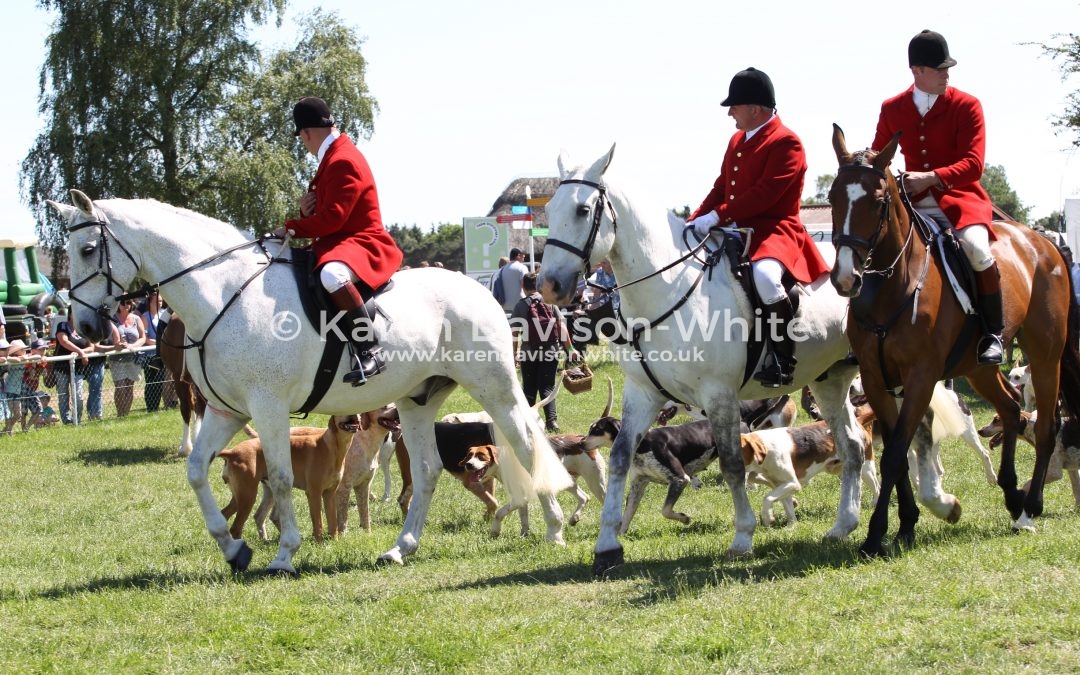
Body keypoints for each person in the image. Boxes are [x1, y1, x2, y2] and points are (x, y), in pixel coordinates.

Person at [688, 67, 829, 387]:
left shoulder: (787, 142)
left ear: (755, 109)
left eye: (734, 108)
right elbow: (721, 186)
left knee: (766, 278)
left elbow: (765, 194)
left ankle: (782, 358)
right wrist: (696, 218)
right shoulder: (737, 139)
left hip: (776, 230)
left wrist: (718, 216)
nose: (730, 115)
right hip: (737, 229)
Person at [873, 29, 1003, 365]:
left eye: (948, 69)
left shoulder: (967, 105)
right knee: (874, 248)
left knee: (975, 249)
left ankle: (993, 333)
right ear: (918, 72)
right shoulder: (892, 108)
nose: (947, 74)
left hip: (960, 200)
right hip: (912, 203)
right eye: (940, 69)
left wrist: (931, 178)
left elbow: (973, 164)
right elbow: (879, 157)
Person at [275, 96, 403, 386]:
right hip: (341, 238)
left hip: (363, 241)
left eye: (302, 139)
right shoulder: (334, 155)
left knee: (333, 275)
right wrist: (307, 210)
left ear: (305, 133)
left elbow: (334, 218)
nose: (305, 145)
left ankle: (370, 348)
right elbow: (329, 210)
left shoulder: (342, 159)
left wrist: (291, 228)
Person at [511, 272, 580, 432]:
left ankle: (527, 421)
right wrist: (570, 349)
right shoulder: (549, 303)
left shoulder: (520, 306)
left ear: (523, 286)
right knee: (547, 386)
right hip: (551, 350)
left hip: (529, 352)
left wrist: (515, 354)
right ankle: (552, 422)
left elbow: (514, 333)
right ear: (540, 286)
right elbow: (561, 327)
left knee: (529, 387)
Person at [53, 308, 114, 424]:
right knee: (63, 395)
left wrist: (81, 352)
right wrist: (80, 352)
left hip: (78, 368)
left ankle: (77, 419)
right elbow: (63, 341)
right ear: (70, 314)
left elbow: (92, 346)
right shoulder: (63, 326)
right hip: (61, 367)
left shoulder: (84, 329)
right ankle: (67, 420)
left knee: (78, 396)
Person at [110, 299, 146, 417]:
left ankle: (126, 414)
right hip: (117, 358)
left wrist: (132, 346)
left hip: (133, 358)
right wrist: (117, 345)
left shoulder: (136, 318)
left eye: (128, 302)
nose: (126, 305)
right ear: (118, 304)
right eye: (123, 302)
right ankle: (120, 414)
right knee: (120, 387)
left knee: (129, 386)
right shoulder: (112, 318)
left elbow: (142, 338)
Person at [140, 291, 168, 412]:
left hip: (164, 353)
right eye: (157, 301)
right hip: (150, 355)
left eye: (161, 301)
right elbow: (144, 338)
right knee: (151, 381)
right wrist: (158, 343)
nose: (160, 303)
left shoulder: (164, 315)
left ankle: (163, 404)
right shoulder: (145, 317)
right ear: (150, 302)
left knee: (161, 381)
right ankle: (151, 407)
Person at [494, 248, 529, 313]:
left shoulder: (503, 269)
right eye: (523, 257)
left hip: (505, 306)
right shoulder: (522, 268)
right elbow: (525, 286)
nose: (524, 259)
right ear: (518, 256)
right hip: (519, 305)